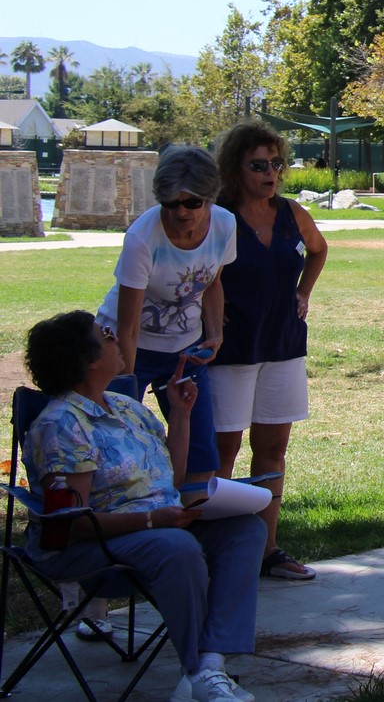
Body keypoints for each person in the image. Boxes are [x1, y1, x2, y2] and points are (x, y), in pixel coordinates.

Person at [22, 311, 265, 702]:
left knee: (246, 529)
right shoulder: (63, 425)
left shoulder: (126, 407)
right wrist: (153, 521)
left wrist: (181, 417)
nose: (115, 337)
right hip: (92, 546)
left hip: (158, 525)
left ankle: (210, 664)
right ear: (87, 360)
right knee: (177, 547)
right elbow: (71, 524)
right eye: (104, 334)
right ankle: (196, 670)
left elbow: (170, 481)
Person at [213, 121, 329, 582]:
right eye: (258, 165)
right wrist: (209, 312)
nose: (270, 173)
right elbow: (200, 268)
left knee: (273, 447)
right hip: (231, 347)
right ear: (235, 169)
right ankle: (219, 552)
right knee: (224, 450)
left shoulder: (292, 214)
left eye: (276, 164)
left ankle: (267, 549)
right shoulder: (218, 214)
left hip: (283, 344)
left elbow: (319, 251)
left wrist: (305, 292)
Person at [95, 145, 235, 497]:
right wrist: (126, 386)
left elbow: (213, 283)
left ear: (210, 197)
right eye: (171, 203)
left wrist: (214, 334)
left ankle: (193, 530)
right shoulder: (143, 238)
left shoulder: (224, 224)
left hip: (185, 350)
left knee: (201, 457)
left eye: (192, 203)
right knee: (119, 454)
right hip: (129, 350)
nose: (181, 212)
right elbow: (126, 326)